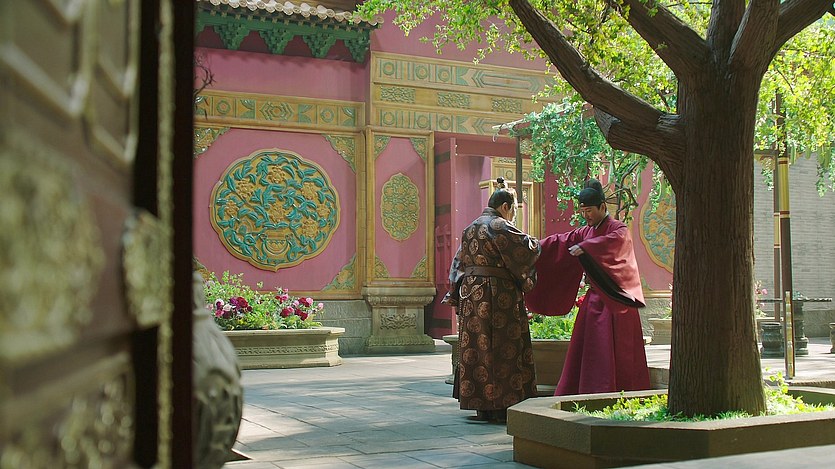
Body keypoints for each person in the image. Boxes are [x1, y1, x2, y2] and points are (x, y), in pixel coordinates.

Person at [525, 179, 650, 395]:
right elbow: (561, 241)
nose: (586, 216)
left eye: (590, 211)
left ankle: (620, 394)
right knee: (591, 351)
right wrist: (533, 246)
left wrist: (587, 247)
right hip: (594, 301)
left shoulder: (618, 229)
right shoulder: (586, 231)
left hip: (617, 303)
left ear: (602, 206)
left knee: (618, 354)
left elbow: (615, 243)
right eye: (583, 212)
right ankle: (586, 392)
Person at [442, 177, 541, 423]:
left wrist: (455, 294)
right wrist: (539, 244)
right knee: (500, 347)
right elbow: (527, 249)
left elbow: (458, 264)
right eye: (514, 210)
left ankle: (481, 406)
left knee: (477, 348)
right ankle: (501, 405)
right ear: (506, 206)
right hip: (497, 295)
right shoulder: (499, 225)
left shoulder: (470, 228)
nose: (513, 215)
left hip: (471, 295)